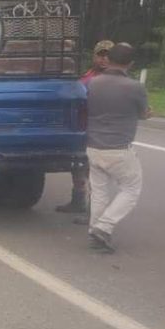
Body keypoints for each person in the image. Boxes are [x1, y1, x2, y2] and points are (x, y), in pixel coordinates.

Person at [85, 42, 150, 253]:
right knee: (131, 189)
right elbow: (143, 113)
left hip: (93, 146)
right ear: (130, 63)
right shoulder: (135, 87)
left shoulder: (92, 83)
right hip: (119, 148)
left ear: (109, 59)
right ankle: (103, 227)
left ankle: (95, 229)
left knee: (99, 192)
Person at [56, 39, 114, 216]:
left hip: (101, 131)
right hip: (82, 130)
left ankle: (93, 212)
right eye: (101, 55)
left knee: (96, 173)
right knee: (79, 167)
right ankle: (79, 200)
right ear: (94, 56)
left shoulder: (112, 80)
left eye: (108, 56)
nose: (104, 59)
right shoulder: (86, 77)